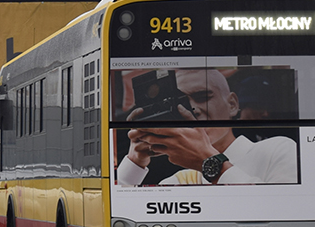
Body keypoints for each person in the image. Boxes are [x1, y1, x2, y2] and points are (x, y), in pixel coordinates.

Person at [115, 68, 297, 186]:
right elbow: (119, 214)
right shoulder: (182, 179)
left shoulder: (278, 149)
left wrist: (209, 162)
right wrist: (135, 161)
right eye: (182, 102)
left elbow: (282, 209)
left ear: (232, 104)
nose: (193, 108)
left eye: (203, 97)